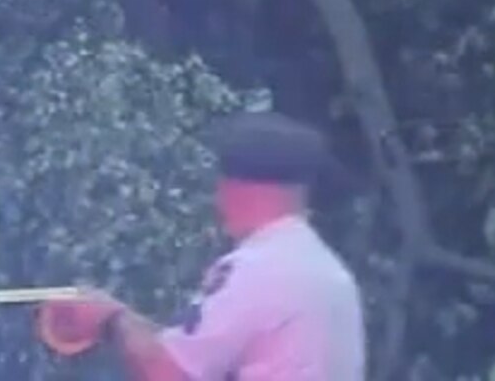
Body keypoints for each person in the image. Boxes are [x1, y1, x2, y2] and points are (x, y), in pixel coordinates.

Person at [64, 112, 367, 381]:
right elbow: (192, 350)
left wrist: (110, 318)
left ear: (237, 189)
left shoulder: (258, 268)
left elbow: (170, 373)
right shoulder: (321, 268)